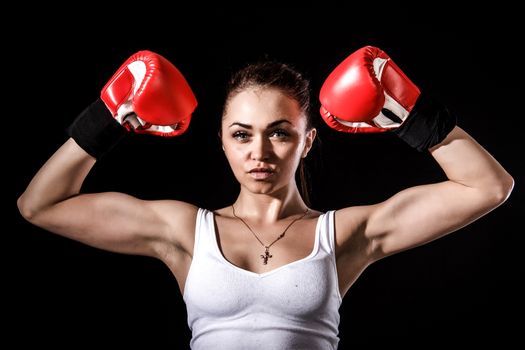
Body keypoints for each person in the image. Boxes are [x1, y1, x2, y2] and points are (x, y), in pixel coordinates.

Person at [17, 46, 514, 349]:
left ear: (308, 140)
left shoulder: (342, 234)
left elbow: (488, 187)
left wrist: (411, 114)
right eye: (241, 134)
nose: (260, 152)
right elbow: (41, 205)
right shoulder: (184, 231)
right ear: (222, 141)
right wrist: (109, 116)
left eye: (279, 133)